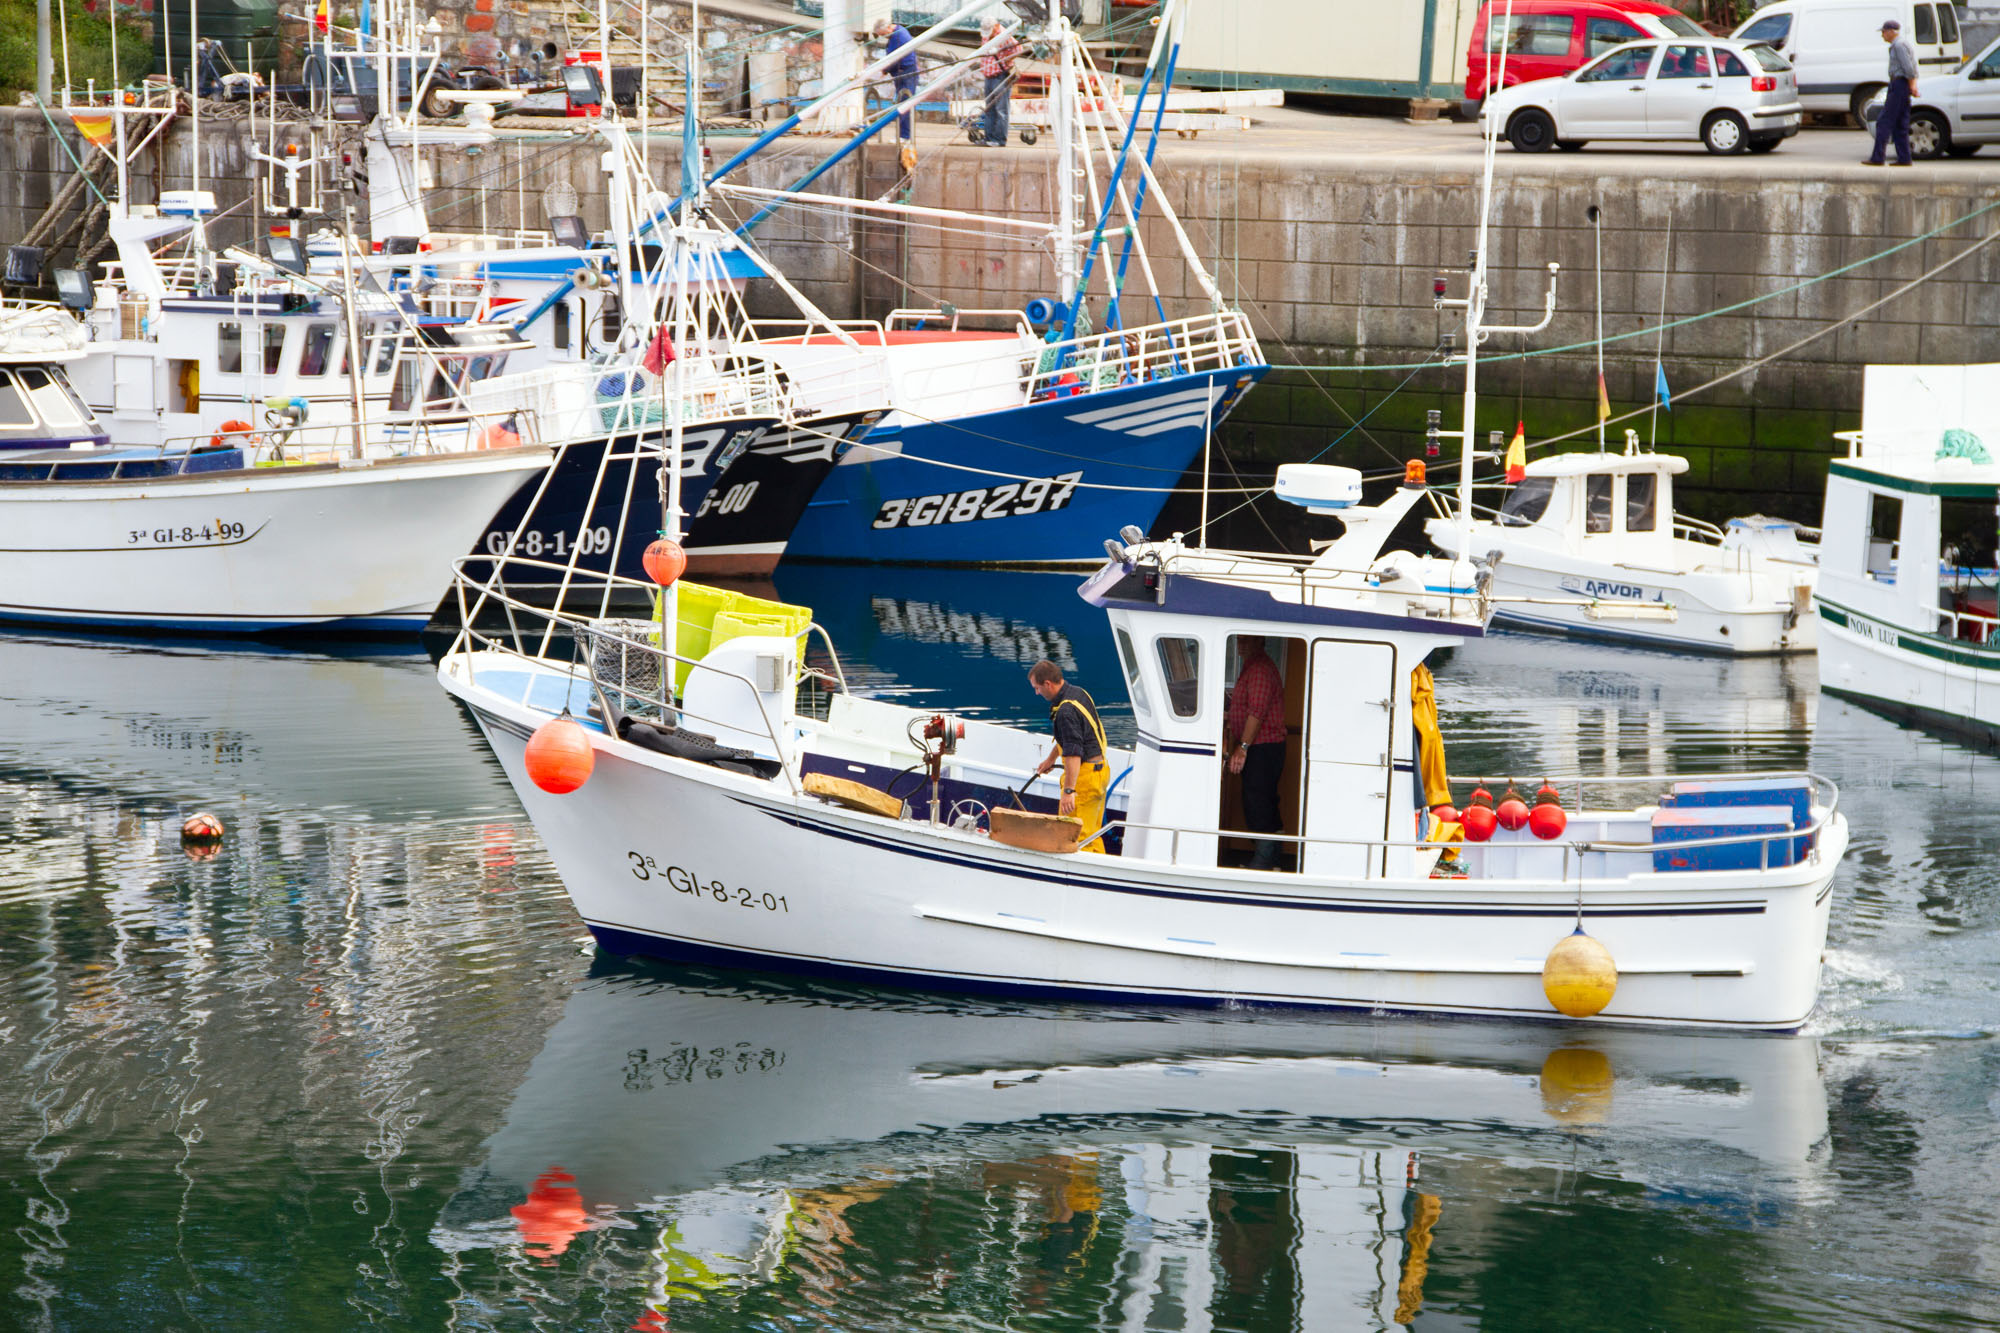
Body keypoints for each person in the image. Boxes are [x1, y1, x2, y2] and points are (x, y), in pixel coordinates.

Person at [1029, 659, 1110, 853]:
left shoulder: (1065, 711)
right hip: (1099, 773)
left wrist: (1069, 791)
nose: (1037, 693)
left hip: (1084, 780)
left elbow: (1074, 753)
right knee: (1092, 834)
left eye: (1038, 688)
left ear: (1048, 684)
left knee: (1075, 839)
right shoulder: (1079, 693)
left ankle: (1084, 881)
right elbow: (1072, 737)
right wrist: (1051, 759)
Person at [1224, 636, 1288, 870]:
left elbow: (1257, 712)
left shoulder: (1260, 669)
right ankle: (1273, 860)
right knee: (1265, 801)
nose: (1241, 644)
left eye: (1247, 640)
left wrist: (1242, 748)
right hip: (1262, 746)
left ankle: (1264, 860)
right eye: (1240, 640)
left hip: (1262, 747)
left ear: (1260, 641)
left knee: (1258, 802)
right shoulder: (1252, 666)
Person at [1865, 18, 1918, 167]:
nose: (1882, 35)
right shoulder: (1904, 44)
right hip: (1903, 84)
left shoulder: (1898, 46)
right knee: (1901, 123)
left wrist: (1911, 84)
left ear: (1890, 32)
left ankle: (1877, 158)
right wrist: (1913, 85)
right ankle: (1904, 158)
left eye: (1883, 32)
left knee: (1883, 121)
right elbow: (1913, 66)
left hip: (1899, 84)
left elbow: (1908, 68)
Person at [874, 18, 920, 142]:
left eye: (883, 35)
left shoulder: (898, 36)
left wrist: (885, 70)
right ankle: (903, 135)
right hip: (904, 72)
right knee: (902, 103)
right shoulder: (898, 32)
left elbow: (896, 59)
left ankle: (904, 136)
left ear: (888, 29)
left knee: (904, 104)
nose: (884, 37)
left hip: (906, 72)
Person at [979, 20, 1023, 148]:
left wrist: (1006, 59)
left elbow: (1018, 49)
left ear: (995, 26)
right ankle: (989, 138)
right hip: (989, 76)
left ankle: (999, 139)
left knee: (1001, 110)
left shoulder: (1005, 36)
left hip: (1000, 76)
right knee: (989, 109)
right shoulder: (986, 36)